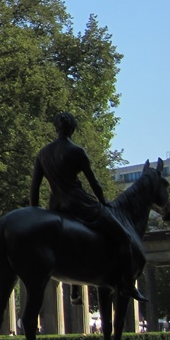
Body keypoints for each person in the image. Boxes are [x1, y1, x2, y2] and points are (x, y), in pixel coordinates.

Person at [29, 112, 146, 302]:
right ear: (72, 129)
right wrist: (103, 202)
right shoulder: (76, 151)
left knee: (73, 243)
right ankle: (127, 285)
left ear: (56, 128)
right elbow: (93, 182)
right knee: (124, 237)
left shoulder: (43, 153)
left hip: (56, 206)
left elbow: (34, 186)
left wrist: (33, 212)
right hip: (79, 203)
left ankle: (75, 291)